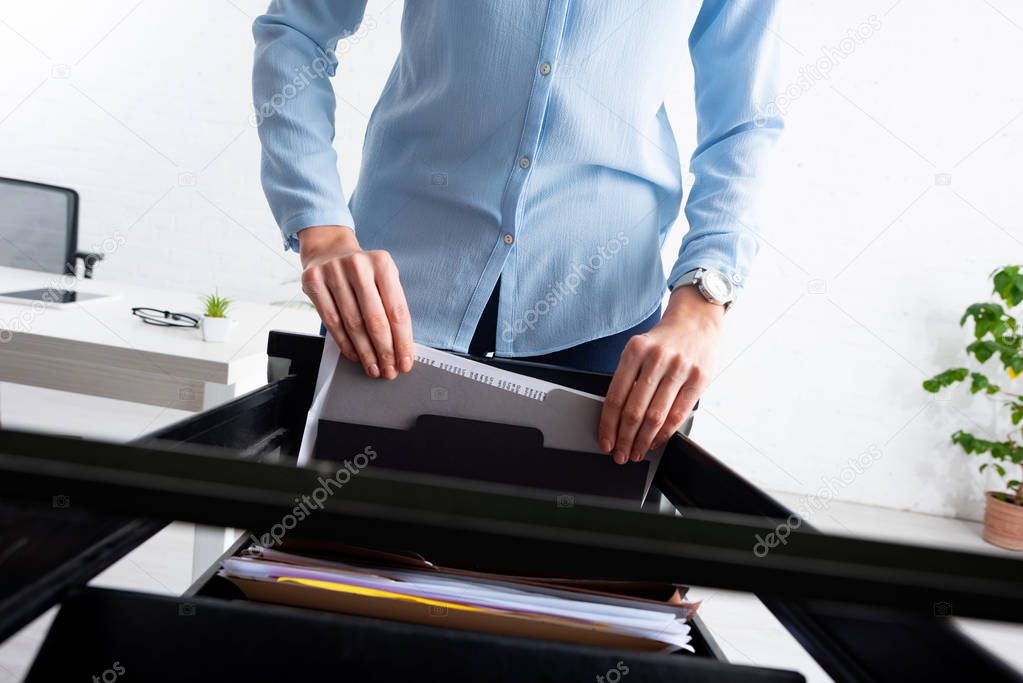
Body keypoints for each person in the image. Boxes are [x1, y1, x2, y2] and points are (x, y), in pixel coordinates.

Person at [252, 0, 782, 465]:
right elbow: (297, 31)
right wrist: (320, 231)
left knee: (571, 574)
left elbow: (744, 120)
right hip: (390, 305)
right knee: (339, 559)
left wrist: (704, 303)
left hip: (607, 317)